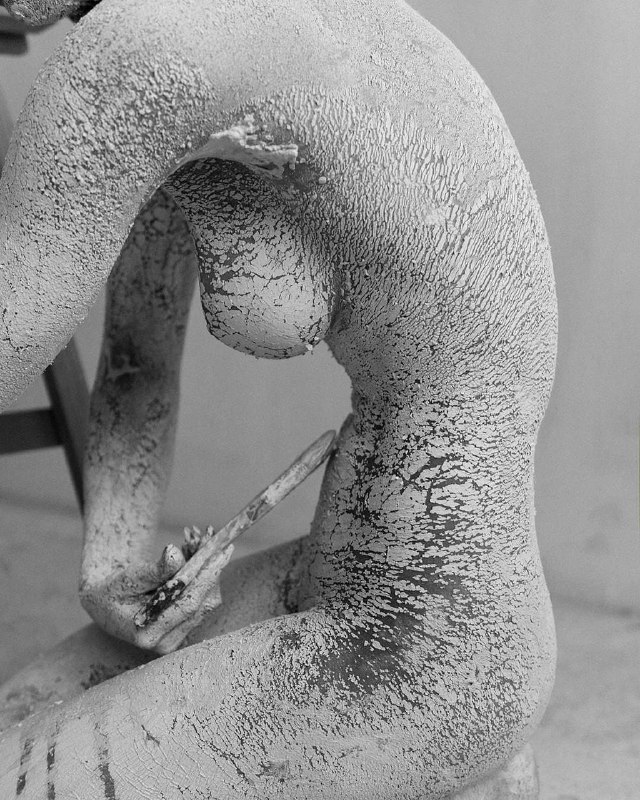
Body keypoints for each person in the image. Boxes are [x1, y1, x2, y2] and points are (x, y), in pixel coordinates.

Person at [0, 0, 557, 796]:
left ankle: (448, 760)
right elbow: (135, 364)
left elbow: (14, 330)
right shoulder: (166, 60)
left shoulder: (147, 50)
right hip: (336, 569)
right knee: (21, 710)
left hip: (432, 634)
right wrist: (113, 572)